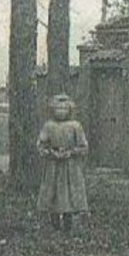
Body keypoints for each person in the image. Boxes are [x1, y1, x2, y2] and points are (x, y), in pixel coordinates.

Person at [37, 94, 90, 232]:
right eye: (58, 108)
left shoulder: (75, 126)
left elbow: (83, 146)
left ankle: (68, 222)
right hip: (53, 167)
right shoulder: (49, 126)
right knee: (52, 193)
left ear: (70, 109)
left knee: (69, 194)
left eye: (64, 108)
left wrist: (71, 152)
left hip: (70, 167)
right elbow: (41, 144)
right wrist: (50, 152)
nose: (61, 111)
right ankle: (54, 222)